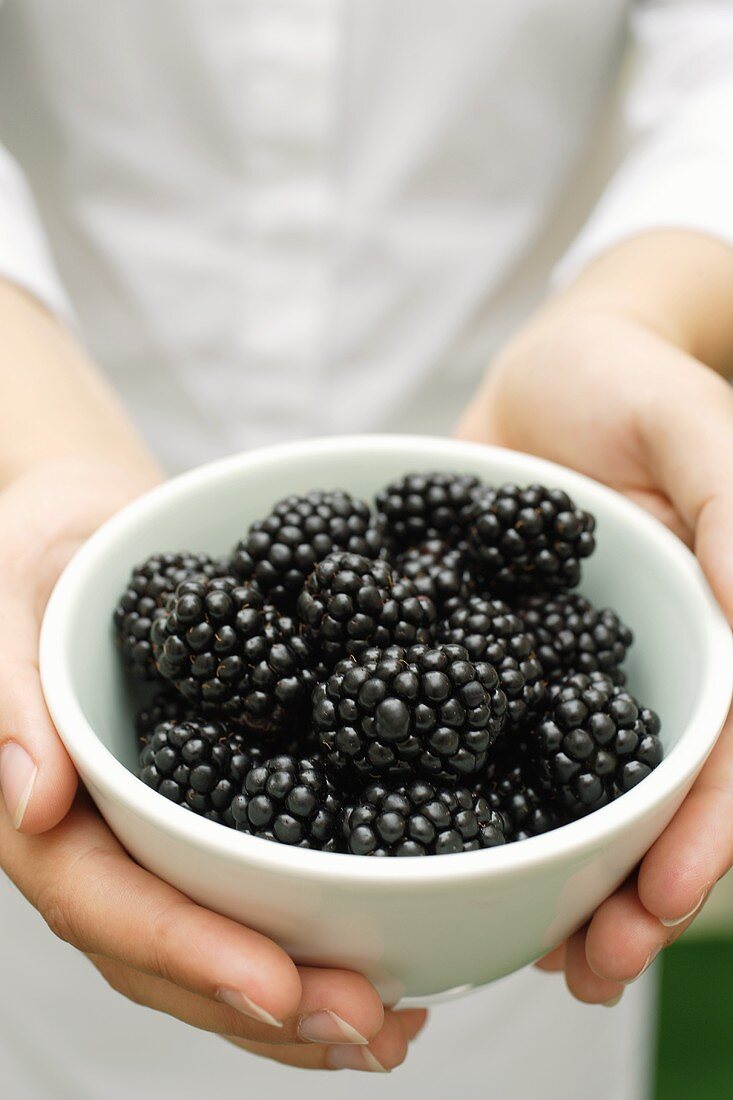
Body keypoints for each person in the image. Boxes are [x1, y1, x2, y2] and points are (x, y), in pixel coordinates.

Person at [1, 1, 732, 1096]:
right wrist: (29, 439)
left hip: (524, 907)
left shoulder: (460, 656)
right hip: (52, 424)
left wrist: (636, 314)